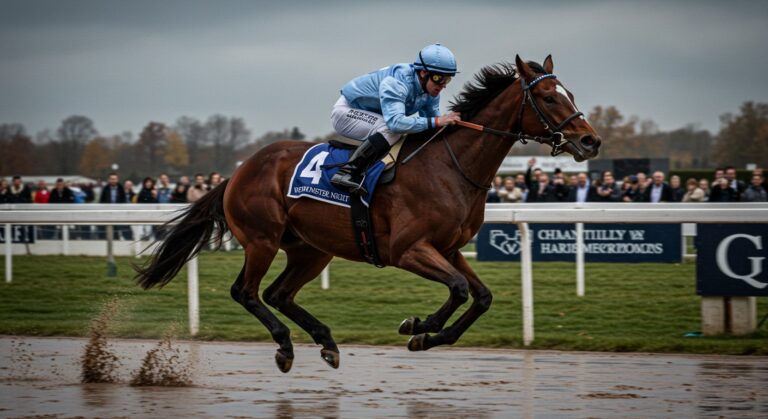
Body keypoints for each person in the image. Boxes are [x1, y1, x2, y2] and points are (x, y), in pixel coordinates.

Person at [329, 43, 461, 195]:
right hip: (346, 112)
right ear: (423, 73)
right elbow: (396, 123)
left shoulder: (431, 92)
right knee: (391, 130)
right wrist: (437, 121)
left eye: (447, 79)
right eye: (438, 78)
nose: (443, 85)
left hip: (373, 115)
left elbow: (433, 126)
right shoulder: (398, 82)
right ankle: (346, 172)